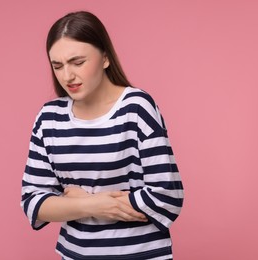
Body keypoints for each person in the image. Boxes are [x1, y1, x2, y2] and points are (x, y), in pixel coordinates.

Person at [21, 11, 184, 260]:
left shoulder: (137, 107)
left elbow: (166, 196)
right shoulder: (48, 117)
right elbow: (33, 203)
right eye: (58, 66)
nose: (67, 76)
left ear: (105, 58)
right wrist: (93, 204)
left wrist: (71, 203)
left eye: (78, 62)